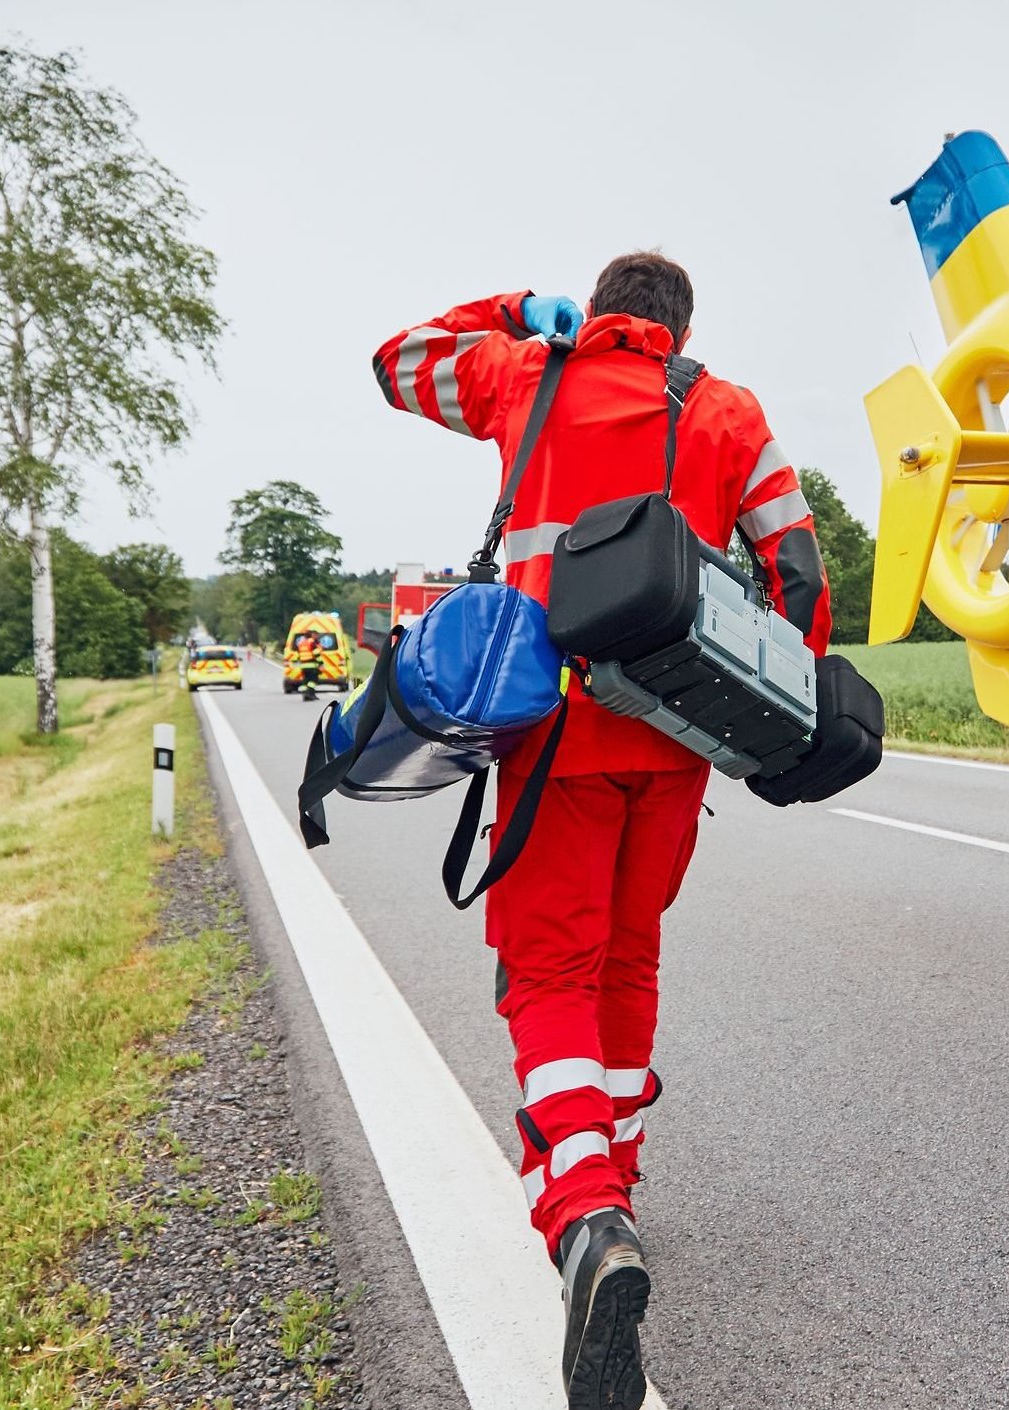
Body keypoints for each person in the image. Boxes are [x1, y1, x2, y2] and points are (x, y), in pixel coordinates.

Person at [370, 253, 831, 1407]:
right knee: (628, 961)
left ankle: (583, 1215)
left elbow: (399, 362)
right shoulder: (728, 409)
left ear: (602, 311)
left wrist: (514, 312)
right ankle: (614, 1170)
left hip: (552, 739)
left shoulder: (530, 373)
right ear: (676, 334)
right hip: (676, 743)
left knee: (549, 975)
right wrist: (784, 697)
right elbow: (799, 566)